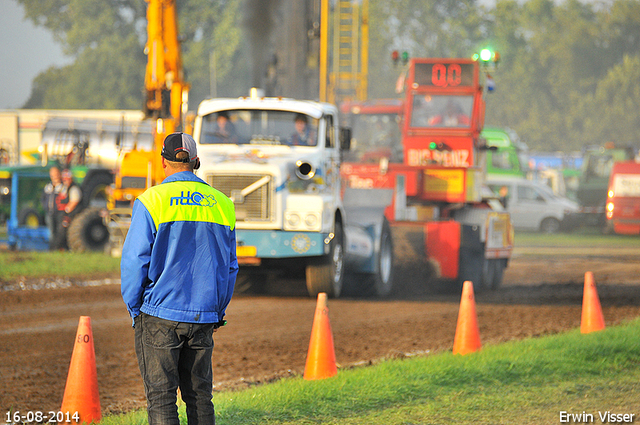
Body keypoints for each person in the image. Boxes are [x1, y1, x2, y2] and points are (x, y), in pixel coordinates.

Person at [120, 132, 238, 425]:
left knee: (161, 398)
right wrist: (217, 310)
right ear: (196, 162)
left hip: (159, 313)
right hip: (203, 315)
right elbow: (230, 267)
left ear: (163, 162)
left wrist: (136, 309)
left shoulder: (151, 201)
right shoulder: (223, 204)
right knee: (200, 396)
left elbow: (134, 263)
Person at [51, 168, 82, 250]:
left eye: (67, 179)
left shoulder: (74, 189)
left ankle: (58, 248)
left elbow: (74, 202)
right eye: (64, 180)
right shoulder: (64, 188)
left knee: (62, 230)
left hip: (70, 215)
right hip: (61, 214)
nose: (65, 181)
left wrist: (66, 212)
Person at [42, 165, 63, 249]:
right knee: (51, 232)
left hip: (59, 213)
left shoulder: (62, 187)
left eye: (56, 174)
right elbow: (43, 198)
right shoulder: (48, 187)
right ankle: (52, 248)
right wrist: (45, 207)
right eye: (53, 175)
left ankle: (58, 248)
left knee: (59, 231)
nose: (55, 177)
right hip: (49, 213)